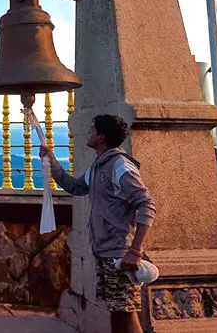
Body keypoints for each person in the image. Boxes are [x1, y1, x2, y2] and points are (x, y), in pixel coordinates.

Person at [39, 114, 155, 333]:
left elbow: (146, 204)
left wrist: (135, 250)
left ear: (101, 137)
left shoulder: (120, 166)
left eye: (92, 128)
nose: (88, 132)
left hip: (120, 254)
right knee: (117, 310)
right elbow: (74, 186)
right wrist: (52, 162)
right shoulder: (99, 166)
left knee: (125, 311)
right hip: (106, 252)